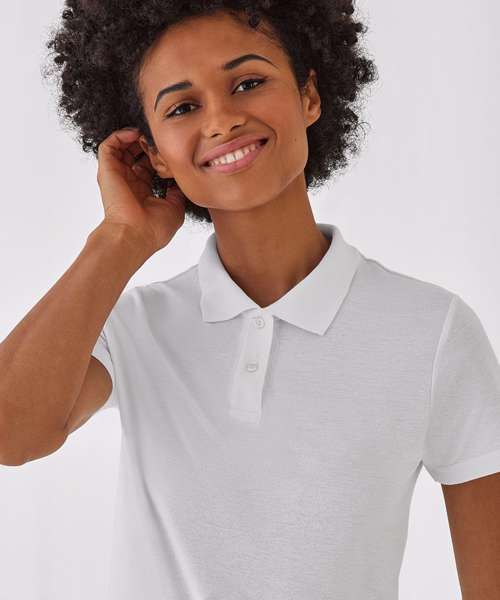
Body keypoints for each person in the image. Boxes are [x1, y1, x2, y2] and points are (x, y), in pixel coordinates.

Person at [1, 2, 499, 599]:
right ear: (154, 154)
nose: (222, 120)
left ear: (309, 96)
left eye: (248, 83)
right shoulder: (135, 327)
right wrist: (119, 239)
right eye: (182, 107)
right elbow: (11, 434)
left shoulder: (432, 331)